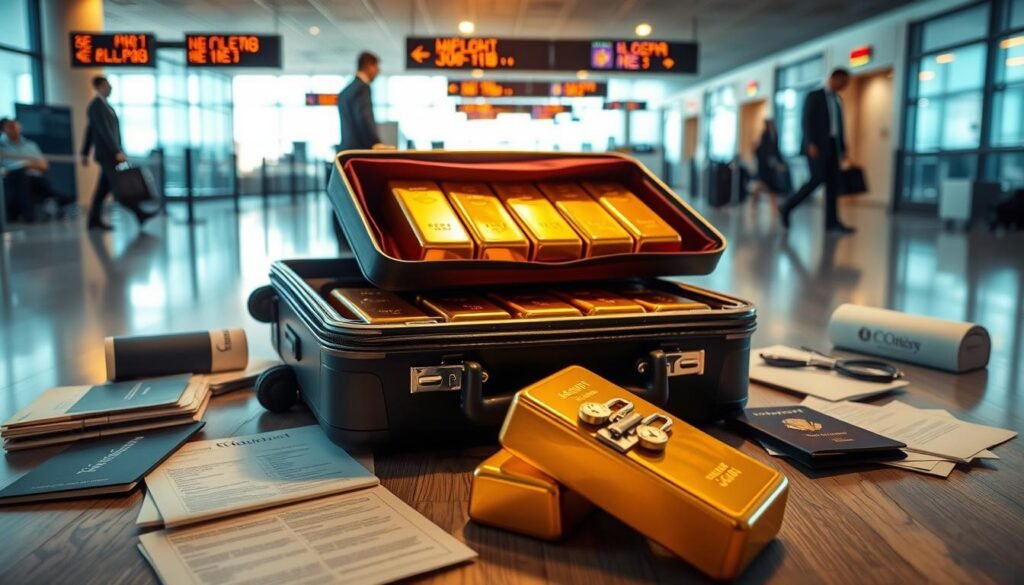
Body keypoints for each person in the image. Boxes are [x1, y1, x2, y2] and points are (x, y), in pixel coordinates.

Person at [778, 68, 854, 234]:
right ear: (835, 78)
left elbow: (839, 127)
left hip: (833, 147)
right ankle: (787, 206)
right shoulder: (815, 96)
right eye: (844, 82)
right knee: (817, 179)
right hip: (817, 147)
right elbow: (806, 121)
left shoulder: (837, 100)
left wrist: (843, 148)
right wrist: (810, 143)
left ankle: (832, 223)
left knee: (833, 185)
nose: (845, 86)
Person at [80, 75, 156, 231]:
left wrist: (85, 153)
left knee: (103, 190)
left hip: (111, 154)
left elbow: (92, 131)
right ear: (100, 86)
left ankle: (93, 221)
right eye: (107, 85)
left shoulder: (107, 107)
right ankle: (139, 213)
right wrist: (116, 151)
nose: (110, 88)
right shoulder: (96, 107)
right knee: (119, 188)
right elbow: (102, 131)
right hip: (107, 154)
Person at [0, 117, 76, 222]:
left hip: (34, 178)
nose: (14, 129)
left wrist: (28, 166)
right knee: (23, 177)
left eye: (16, 127)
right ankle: (58, 198)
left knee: (31, 179)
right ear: (4, 129)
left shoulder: (30, 145)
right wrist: (24, 166)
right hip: (11, 179)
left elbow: (44, 165)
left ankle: (54, 199)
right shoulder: (2, 146)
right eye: (10, 127)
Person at [337, 52, 384, 151]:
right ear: (368, 66)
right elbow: (364, 118)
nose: (378, 71)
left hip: (347, 150)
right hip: (360, 151)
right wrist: (376, 143)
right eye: (376, 67)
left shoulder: (346, 91)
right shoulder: (362, 88)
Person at [753, 119, 791, 199]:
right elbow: (763, 151)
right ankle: (755, 194)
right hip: (764, 164)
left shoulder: (775, 134)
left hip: (771, 163)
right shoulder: (764, 135)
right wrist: (769, 162)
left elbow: (776, 150)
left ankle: (773, 205)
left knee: (770, 185)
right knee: (764, 183)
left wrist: (781, 162)